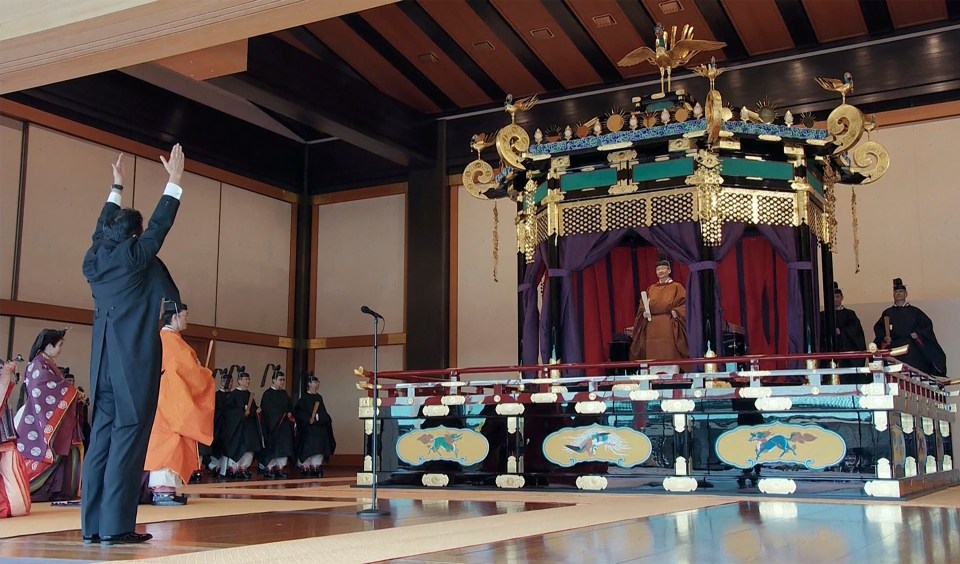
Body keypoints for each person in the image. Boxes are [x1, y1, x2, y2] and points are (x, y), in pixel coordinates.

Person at [81, 146, 185, 546]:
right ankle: (116, 527)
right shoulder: (135, 256)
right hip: (132, 365)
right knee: (127, 440)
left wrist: (116, 187)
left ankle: (92, 527)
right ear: (135, 237)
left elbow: (100, 230)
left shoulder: (94, 260)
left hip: (102, 364)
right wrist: (174, 180)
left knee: (101, 445)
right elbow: (160, 226)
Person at [144, 300, 215, 505]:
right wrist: (204, 374)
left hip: (165, 400)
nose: (187, 320)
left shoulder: (165, 340)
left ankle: (167, 490)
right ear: (174, 317)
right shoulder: (171, 342)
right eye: (185, 316)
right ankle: (162, 491)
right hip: (170, 401)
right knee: (169, 445)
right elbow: (186, 372)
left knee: (171, 443)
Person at [15, 329, 84, 502]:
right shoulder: (38, 364)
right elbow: (46, 388)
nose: (60, 349)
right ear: (48, 345)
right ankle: (33, 489)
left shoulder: (45, 363)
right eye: (59, 345)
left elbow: (57, 386)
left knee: (70, 451)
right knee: (46, 454)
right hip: (40, 418)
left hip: (52, 415)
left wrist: (72, 393)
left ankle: (57, 490)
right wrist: (73, 392)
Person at [873, 278, 947, 377]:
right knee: (893, 374)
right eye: (896, 292)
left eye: (901, 291)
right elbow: (879, 329)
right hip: (894, 347)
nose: (898, 294)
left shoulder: (915, 312)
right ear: (893, 295)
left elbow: (927, 327)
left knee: (912, 373)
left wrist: (918, 334)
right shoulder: (887, 313)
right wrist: (884, 338)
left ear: (906, 294)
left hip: (911, 348)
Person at [629, 258, 689, 366]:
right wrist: (644, 313)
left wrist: (676, 311)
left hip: (668, 323)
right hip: (652, 325)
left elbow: (685, 304)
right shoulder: (651, 288)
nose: (660, 271)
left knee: (669, 350)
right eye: (658, 269)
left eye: (663, 269)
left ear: (669, 270)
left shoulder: (676, 287)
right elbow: (643, 305)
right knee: (652, 352)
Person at [1, 359, 30, 518]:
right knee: (18, 505)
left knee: (19, 505)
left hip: (5, 438)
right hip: (3, 440)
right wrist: (5, 374)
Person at [221, 372, 262, 479]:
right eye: (244, 379)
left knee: (248, 449)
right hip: (237, 428)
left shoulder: (249, 395)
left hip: (248, 428)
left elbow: (252, 408)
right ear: (239, 381)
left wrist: (254, 410)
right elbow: (228, 412)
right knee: (236, 447)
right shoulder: (233, 394)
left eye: (248, 380)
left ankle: (243, 468)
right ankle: (233, 469)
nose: (247, 382)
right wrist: (241, 412)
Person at [821, 282, 867, 375]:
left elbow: (856, 332)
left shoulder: (850, 314)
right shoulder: (822, 315)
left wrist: (841, 332)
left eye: (837, 297)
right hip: (828, 351)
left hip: (846, 352)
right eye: (833, 297)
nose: (835, 299)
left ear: (842, 297)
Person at [294, 374, 335, 477]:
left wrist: (317, 417)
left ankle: (316, 465)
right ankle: (305, 465)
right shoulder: (303, 398)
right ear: (309, 384)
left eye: (318, 382)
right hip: (307, 428)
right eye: (315, 382)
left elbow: (323, 413)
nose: (317, 384)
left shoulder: (319, 397)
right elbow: (298, 412)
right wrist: (307, 419)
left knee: (321, 439)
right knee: (308, 441)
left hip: (319, 426)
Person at [260, 370, 295, 479]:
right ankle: (269, 468)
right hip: (273, 426)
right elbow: (267, 410)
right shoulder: (267, 394)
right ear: (274, 380)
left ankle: (280, 468)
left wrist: (289, 412)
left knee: (284, 447)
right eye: (280, 380)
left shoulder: (284, 394)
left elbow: (290, 406)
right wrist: (279, 415)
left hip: (284, 427)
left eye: (283, 380)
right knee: (272, 448)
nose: (282, 382)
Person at [207, 371, 233, 474]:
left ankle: (226, 468)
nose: (229, 384)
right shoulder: (216, 395)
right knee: (217, 446)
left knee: (228, 447)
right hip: (219, 426)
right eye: (227, 381)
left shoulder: (233, 395)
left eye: (231, 382)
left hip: (230, 426)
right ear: (222, 382)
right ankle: (215, 467)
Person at [64, 371, 91, 452]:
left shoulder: (77, 392)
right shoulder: (63, 392)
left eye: (73, 381)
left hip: (79, 422)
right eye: (69, 380)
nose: (72, 382)